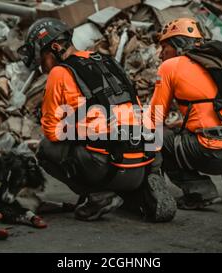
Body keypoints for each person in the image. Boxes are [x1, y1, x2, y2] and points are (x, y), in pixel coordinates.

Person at [17, 18, 176, 222]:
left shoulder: (60, 72)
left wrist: (72, 127)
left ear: (55, 48)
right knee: (115, 135)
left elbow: (51, 131)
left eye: (42, 56)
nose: (41, 64)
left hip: (107, 165)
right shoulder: (107, 61)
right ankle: (143, 188)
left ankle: (98, 196)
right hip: (145, 156)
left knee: (46, 149)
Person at [146, 18, 222, 210]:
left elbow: (154, 119)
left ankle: (200, 191)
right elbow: (217, 109)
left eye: (165, 47)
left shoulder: (171, 66)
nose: (161, 55)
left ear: (177, 45)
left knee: (155, 136)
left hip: (213, 156)